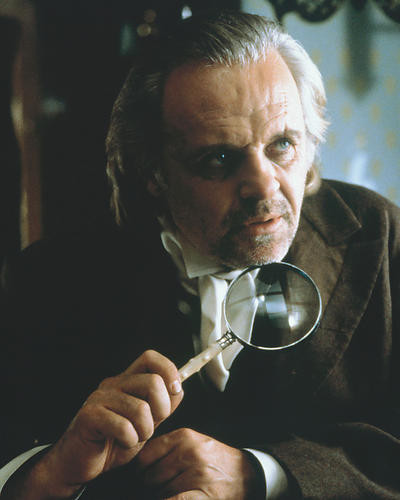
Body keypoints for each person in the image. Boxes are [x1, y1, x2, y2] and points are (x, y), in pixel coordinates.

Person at [1, 9, 400, 500]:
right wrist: (56, 470)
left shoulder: (381, 238)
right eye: (219, 158)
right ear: (153, 173)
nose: (263, 186)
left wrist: (260, 474)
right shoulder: (47, 281)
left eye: (282, 145)